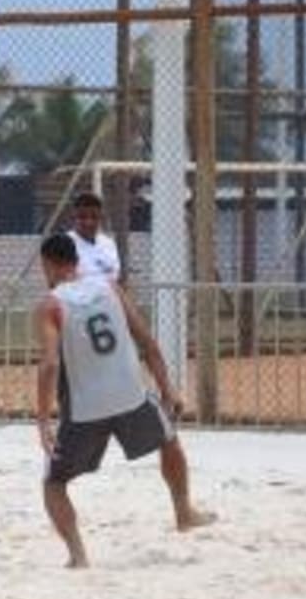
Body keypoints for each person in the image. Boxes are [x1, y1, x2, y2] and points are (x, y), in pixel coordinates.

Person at [34, 233, 213, 568]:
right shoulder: (111, 289)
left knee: (54, 483)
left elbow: (49, 364)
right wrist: (168, 389)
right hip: (131, 394)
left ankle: (78, 555)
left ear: (48, 264)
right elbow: (147, 342)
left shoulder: (50, 304)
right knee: (170, 442)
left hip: (86, 407)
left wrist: (43, 421)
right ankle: (184, 513)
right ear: (76, 260)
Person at [67, 192, 122, 285]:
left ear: (100, 218)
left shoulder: (108, 244)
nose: (89, 223)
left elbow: (115, 280)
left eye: (94, 217)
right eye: (82, 217)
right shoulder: (64, 244)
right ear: (73, 217)